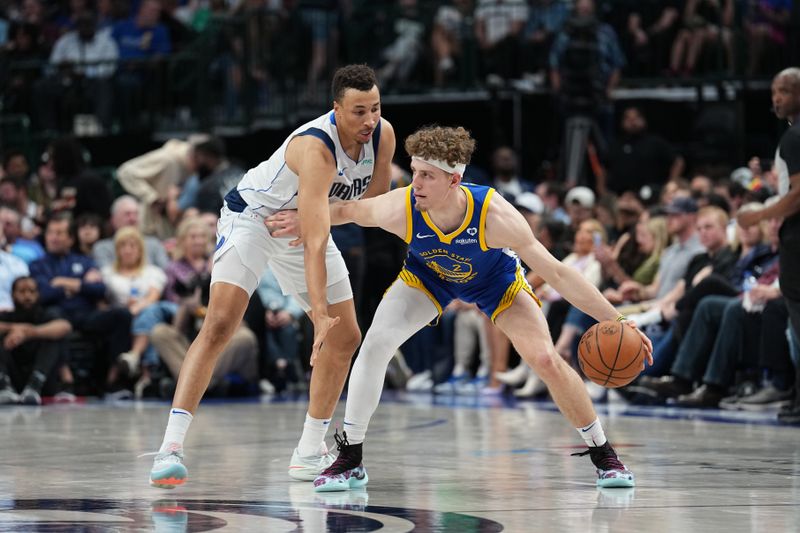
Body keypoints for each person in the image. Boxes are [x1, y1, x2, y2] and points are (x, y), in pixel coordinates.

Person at [310, 126, 652, 492]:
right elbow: (343, 210)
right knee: (376, 345)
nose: (416, 183)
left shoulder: (495, 215)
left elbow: (558, 272)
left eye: (427, 175)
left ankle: (604, 454)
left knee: (546, 359)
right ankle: (350, 457)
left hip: (495, 282)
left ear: (455, 179)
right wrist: (296, 216)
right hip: (428, 278)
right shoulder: (401, 206)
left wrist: (616, 319)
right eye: (414, 172)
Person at [148, 64, 396, 488]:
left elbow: (373, 207)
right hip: (254, 219)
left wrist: (315, 216)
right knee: (222, 322)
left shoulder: (382, 135)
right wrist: (317, 312)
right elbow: (316, 242)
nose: (369, 121)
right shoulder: (317, 149)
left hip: (301, 224)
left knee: (346, 337)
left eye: (374, 109)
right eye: (358, 112)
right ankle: (169, 448)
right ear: (335, 110)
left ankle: (307, 451)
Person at [738, 67, 800, 424]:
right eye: (774, 91)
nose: (776, 98)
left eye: (786, 91)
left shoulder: (794, 139)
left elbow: (797, 196)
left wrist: (758, 216)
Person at [0, 276, 72, 405]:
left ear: (38, 294)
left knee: (53, 336)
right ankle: (3, 385)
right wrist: (13, 328)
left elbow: (65, 326)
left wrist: (28, 333)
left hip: (43, 381)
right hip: (14, 377)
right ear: (12, 295)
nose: (27, 296)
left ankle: (34, 385)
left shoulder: (47, 314)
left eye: (32, 291)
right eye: (22, 292)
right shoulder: (7, 316)